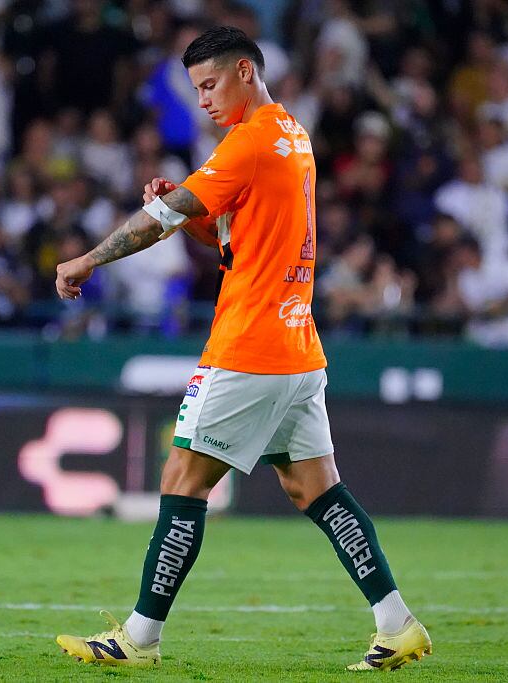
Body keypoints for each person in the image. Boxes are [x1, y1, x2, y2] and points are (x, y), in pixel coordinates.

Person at [53, 26, 431, 673]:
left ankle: (140, 637)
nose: (202, 100)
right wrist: (190, 211)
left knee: (182, 480)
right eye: (195, 89)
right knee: (315, 488)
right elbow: (233, 241)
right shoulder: (291, 135)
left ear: (246, 73)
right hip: (296, 346)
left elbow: (163, 223)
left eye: (209, 84)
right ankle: (397, 623)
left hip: (249, 345)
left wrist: (88, 258)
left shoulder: (250, 141)